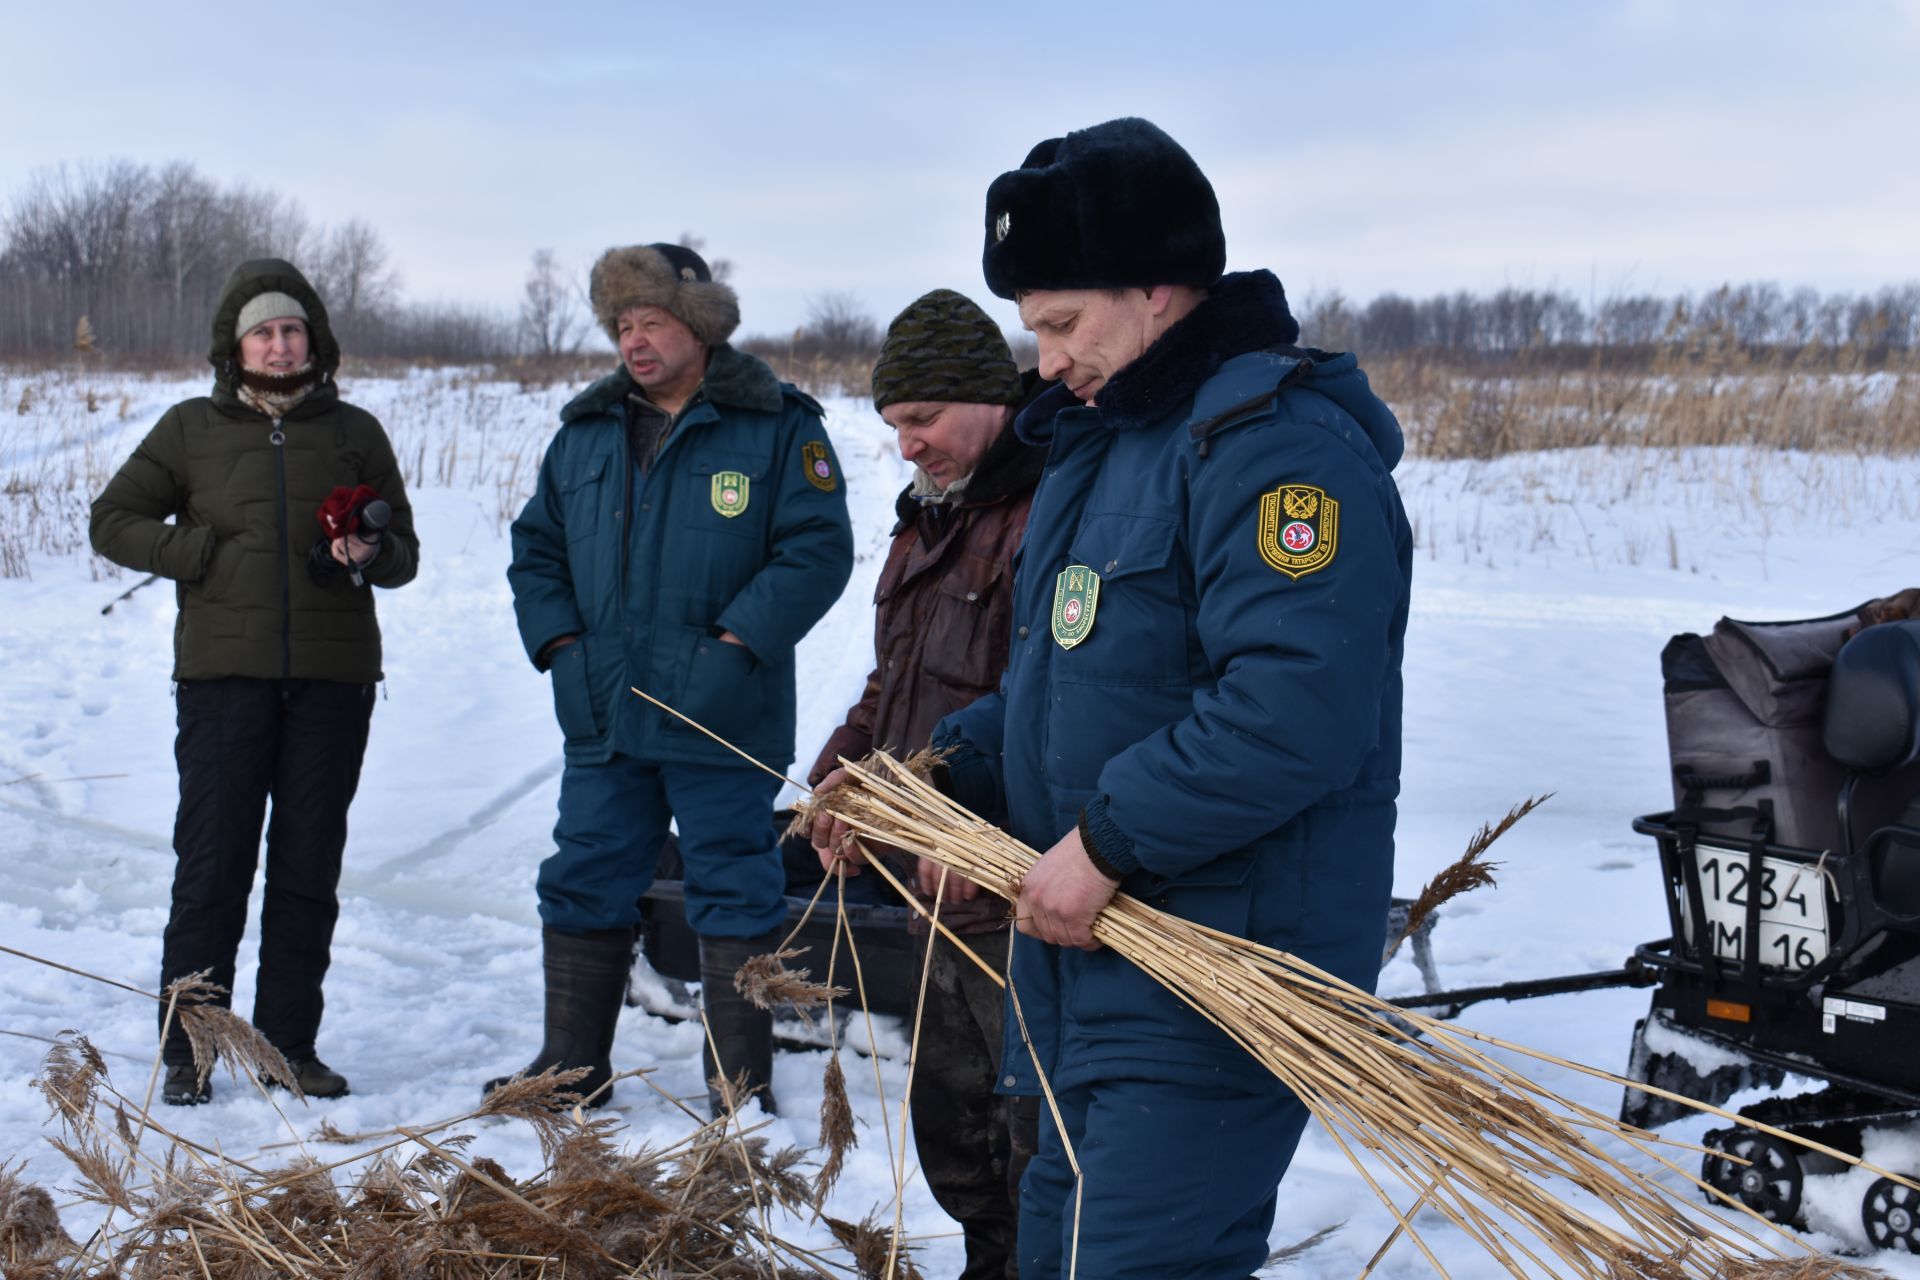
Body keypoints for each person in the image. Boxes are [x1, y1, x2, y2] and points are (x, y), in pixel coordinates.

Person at [920, 119, 1410, 1278]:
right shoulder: (1107, 444)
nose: (1043, 361)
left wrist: (1105, 838)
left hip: (1217, 966)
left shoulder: (1275, 450)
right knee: (1058, 1253)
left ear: (1158, 286)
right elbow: (1074, 689)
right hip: (1092, 962)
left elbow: (1295, 708)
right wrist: (936, 770)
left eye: (1061, 324)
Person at [499, 242, 853, 1116]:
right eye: (622, 324)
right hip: (606, 712)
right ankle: (570, 1070)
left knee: (734, 882)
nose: (634, 340)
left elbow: (817, 551)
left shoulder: (776, 424)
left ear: (698, 326)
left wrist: (734, 648)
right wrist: (562, 650)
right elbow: (535, 552)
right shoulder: (584, 434)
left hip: (722, 714)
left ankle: (740, 1087)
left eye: (651, 321)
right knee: (582, 876)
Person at [90, 258, 419, 1106]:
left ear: (314, 339)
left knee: (308, 869)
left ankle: (287, 1048)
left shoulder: (354, 432)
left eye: (292, 330)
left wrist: (367, 553)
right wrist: (197, 554)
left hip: (331, 680)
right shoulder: (189, 429)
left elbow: (405, 556)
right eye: (263, 333)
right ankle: (191, 1048)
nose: (279, 346)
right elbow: (112, 521)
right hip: (222, 680)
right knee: (212, 864)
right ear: (236, 347)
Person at [807, 289, 1048, 1279]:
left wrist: (981, 837)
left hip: (1020, 892)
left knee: (1035, 1138)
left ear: (988, 396)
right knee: (953, 1130)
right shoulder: (926, 523)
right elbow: (894, 680)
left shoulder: (1050, 511)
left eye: (922, 420)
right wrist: (843, 776)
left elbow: (1055, 707)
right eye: (893, 425)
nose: (905, 446)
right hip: (931, 894)